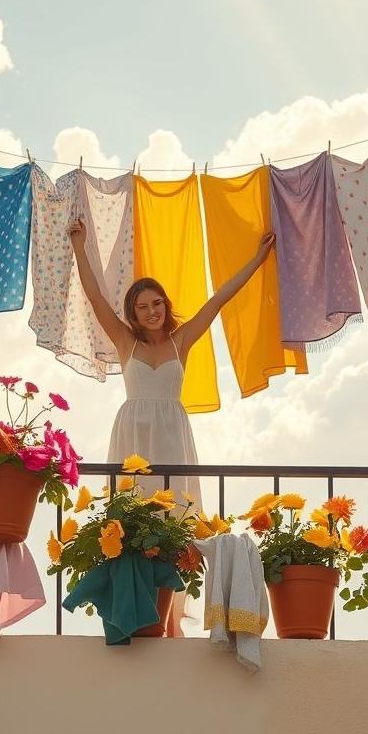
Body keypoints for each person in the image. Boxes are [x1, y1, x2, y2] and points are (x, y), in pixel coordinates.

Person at [68, 217, 275, 635]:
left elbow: (219, 299)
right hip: (133, 438)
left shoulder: (181, 341)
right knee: (132, 520)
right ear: (134, 313)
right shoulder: (126, 342)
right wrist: (79, 245)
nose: (151, 311)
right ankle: (135, 614)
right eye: (142, 307)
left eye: (156, 303)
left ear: (165, 305)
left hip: (173, 438)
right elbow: (95, 297)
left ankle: (166, 619)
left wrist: (257, 259)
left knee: (172, 521)